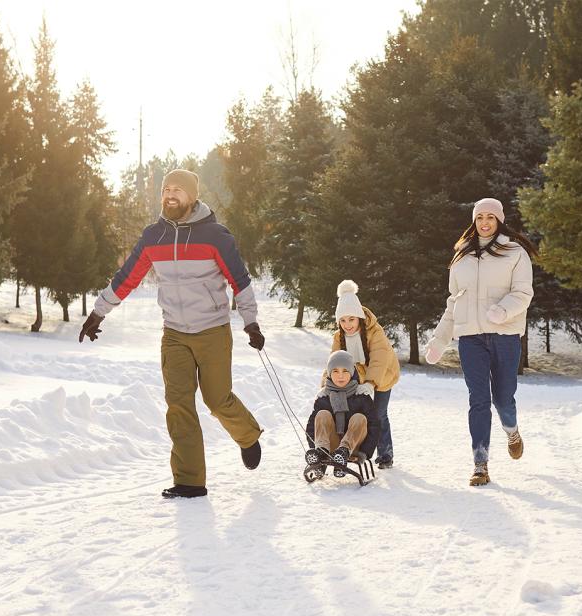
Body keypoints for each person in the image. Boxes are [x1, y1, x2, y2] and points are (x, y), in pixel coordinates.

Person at [78, 169, 265, 499]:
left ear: (192, 196)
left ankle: (248, 435)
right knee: (178, 405)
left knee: (217, 399)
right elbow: (127, 277)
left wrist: (251, 322)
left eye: (177, 189)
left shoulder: (215, 236)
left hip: (212, 330)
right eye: (166, 189)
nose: (170, 194)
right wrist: (98, 312)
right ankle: (190, 481)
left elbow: (240, 280)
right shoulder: (154, 237)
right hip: (175, 333)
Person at [425, 198, 536, 486]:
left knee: (503, 398)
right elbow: (454, 302)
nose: (484, 222)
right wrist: (440, 339)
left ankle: (511, 430)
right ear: (474, 221)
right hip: (470, 338)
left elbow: (523, 293)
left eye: (490, 217)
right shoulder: (461, 256)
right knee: (478, 400)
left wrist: (503, 310)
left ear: (499, 220)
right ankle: (480, 463)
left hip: (504, 335)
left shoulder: (515, 252)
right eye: (479, 217)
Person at [330, 280, 400, 468]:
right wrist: (325, 387)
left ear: (359, 317)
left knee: (378, 414)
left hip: (383, 376)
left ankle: (385, 454)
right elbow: (333, 363)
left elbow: (379, 359)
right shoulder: (339, 337)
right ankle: (356, 451)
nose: (347, 325)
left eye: (351, 319)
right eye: (343, 320)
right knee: (357, 414)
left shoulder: (373, 331)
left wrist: (370, 383)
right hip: (359, 379)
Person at [305, 350, 379, 477]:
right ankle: (321, 452)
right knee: (322, 414)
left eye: (345, 371)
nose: (340, 376)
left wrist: (365, 452)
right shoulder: (323, 397)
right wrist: (315, 445)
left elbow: (374, 426)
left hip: (354, 447)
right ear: (329, 374)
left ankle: (343, 453)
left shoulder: (361, 396)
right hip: (330, 447)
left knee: (359, 418)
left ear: (351, 372)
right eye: (335, 371)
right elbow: (312, 428)